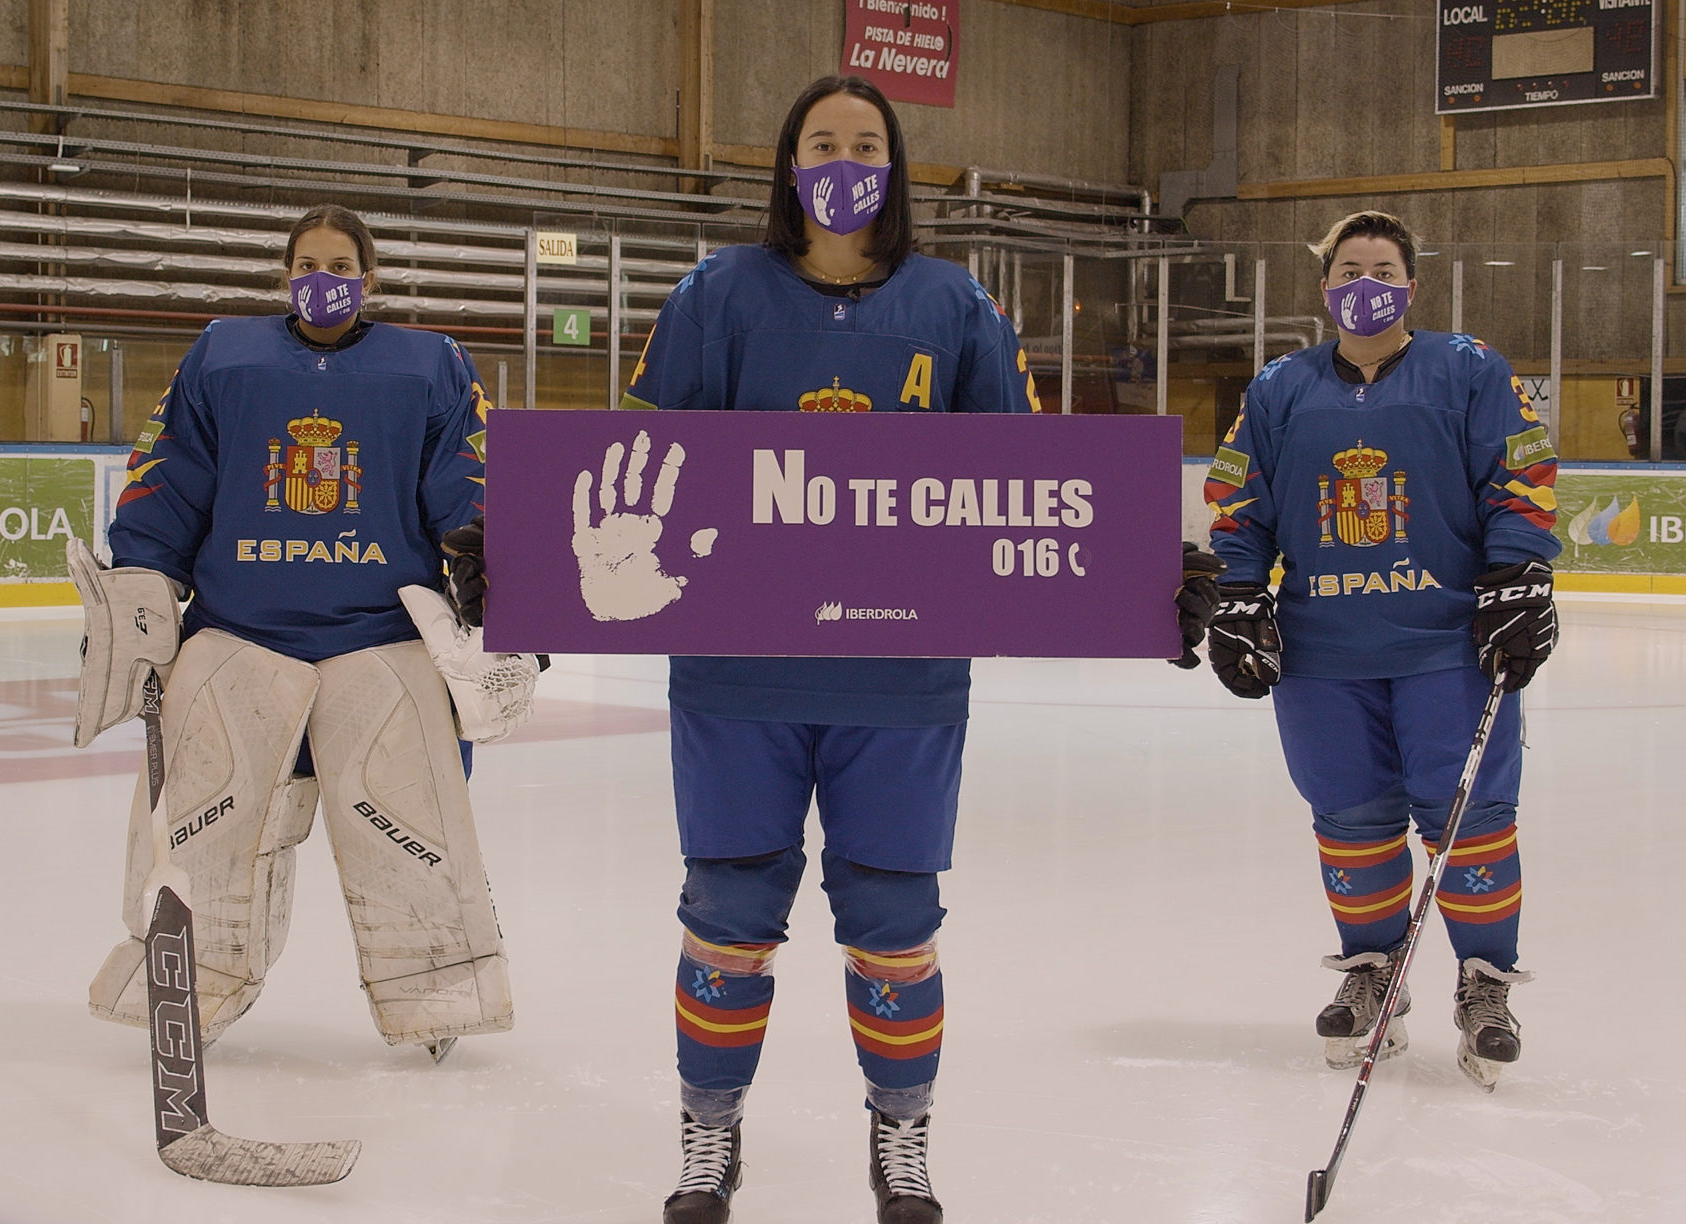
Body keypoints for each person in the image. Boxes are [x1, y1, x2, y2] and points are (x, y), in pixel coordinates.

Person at [619, 76, 1036, 1224]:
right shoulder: (715, 294)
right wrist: (519, 551)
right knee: (726, 905)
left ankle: (900, 1139)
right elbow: (642, 471)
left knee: (896, 916)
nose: (844, 159)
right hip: (736, 668)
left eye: (865, 143)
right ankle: (710, 1135)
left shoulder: (957, 305)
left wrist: (1155, 569)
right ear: (787, 164)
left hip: (901, 676)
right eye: (821, 141)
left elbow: (1031, 487)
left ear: (895, 165)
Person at [67, 203, 526, 1066]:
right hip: (241, 631)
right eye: (310, 263)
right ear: (287, 275)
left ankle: (438, 982)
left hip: (381, 638)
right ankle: (189, 976)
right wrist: (142, 587)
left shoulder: (429, 366)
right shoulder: (223, 357)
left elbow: (469, 480)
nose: (326, 278)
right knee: (206, 818)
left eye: (342, 263)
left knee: (410, 817)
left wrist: (496, 588)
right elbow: (169, 475)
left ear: (370, 276)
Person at [1191, 209, 1560, 1092]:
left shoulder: (1468, 370)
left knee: (1466, 821)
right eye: (1349, 269)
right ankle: (1374, 972)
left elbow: (1521, 474)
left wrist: (1518, 572)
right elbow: (1240, 502)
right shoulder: (1280, 388)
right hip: (1322, 651)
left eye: (1383, 269)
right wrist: (1240, 592)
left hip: (1446, 644)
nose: (1367, 283)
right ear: (1325, 289)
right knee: (1350, 820)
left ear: (1410, 285)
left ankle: (1483, 985)